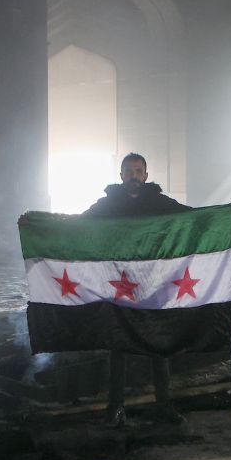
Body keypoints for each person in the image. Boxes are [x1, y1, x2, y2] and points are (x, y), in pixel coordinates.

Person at [83, 153, 189, 426]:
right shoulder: (107, 205)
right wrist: (39, 224)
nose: (133, 176)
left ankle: (164, 405)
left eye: (138, 171)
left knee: (159, 344)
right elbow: (78, 224)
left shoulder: (159, 202)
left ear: (145, 175)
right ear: (121, 176)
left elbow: (193, 216)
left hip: (153, 285)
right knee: (119, 346)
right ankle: (115, 408)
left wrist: (227, 214)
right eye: (128, 171)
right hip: (119, 287)